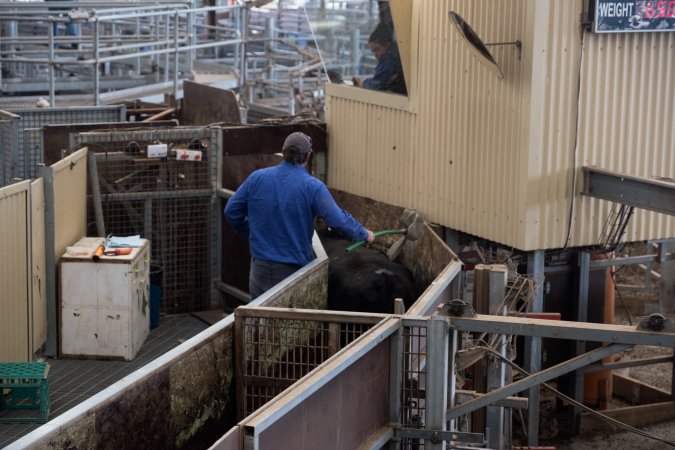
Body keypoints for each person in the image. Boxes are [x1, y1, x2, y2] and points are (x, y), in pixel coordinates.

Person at [224, 132, 375, 300]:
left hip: (259, 269)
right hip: (292, 273)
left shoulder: (257, 178)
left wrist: (249, 232)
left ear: (283, 151)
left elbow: (231, 211)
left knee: (260, 320)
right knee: (288, 322)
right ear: (307, 156)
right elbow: (337, 219)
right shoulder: (313, 187)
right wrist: (363, 234)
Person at [352, 22, 407, 95]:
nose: (375, 55)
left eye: (377, 49)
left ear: (388, 45)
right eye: (373, 51)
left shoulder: (389, 60)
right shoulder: (395, 57)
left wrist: (363, 82)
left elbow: (377, 85)